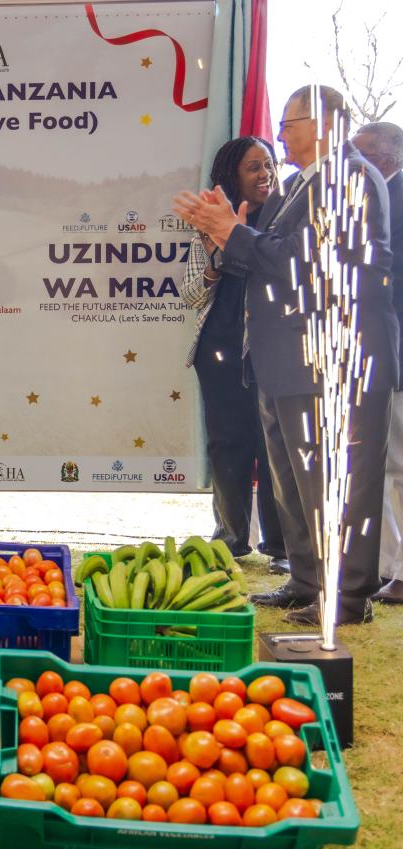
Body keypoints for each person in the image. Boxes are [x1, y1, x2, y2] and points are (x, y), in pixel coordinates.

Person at [175, 86, 398, 627]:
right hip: (288, 360)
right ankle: (306, 579)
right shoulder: (303, 184)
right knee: (297, 482)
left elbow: (315, 264)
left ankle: (345, 598)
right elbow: (265, 254)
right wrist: (225, 231)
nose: (281, 135)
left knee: (339, 484)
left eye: (289, 123)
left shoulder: (351, 177)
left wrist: (234, 233)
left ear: (322, 121)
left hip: (334, 359)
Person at [180, 136, 287, 572]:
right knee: (227, 445)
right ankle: (230, 539)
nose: (265, 173)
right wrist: (212, 257)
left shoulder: (287, 217)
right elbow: (190, 294)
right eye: (253, 167)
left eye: (269, 164)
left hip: (271, 350)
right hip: (219, 350)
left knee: (275, 447)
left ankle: (282, 547)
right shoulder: (207, 225)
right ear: (232, 175)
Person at [352, 121, 403, 603]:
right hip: (384, 354)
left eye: (361, 155)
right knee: (387, 466)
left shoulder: (393, 199)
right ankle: (389, 566)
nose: (354, 164)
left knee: (397, 466)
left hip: (393, 353)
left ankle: (399, 569)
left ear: (384, 161)